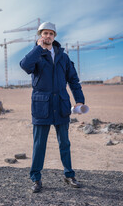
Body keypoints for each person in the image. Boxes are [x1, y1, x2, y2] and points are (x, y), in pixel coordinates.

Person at [20, 22, 85, 193]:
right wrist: (38, 49)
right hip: (41, 105)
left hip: (61, 104)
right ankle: (36, 179)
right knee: (39, 144)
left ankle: (69, 175)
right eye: (45, 33)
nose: (48, 36)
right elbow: (24, 66)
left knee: (65, 143)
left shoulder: (63, 57)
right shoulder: (36, 55)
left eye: (51, 34)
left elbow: (73, 80)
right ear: (40, 35)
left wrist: (79, 100)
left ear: (55, 36)